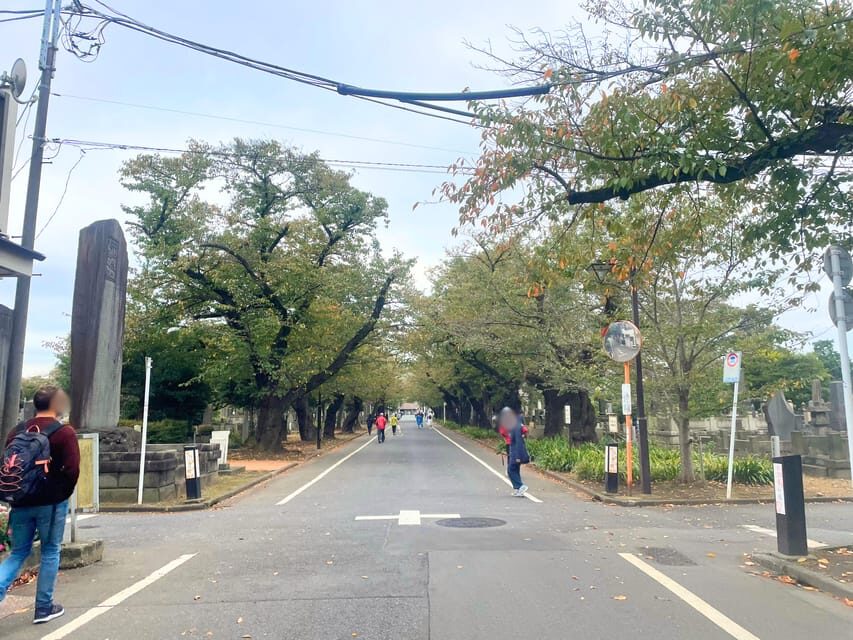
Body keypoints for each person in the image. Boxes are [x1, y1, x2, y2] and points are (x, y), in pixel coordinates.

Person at [0, 386, 80, 624]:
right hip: (50, 502)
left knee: (18, 552)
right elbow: (73, 468)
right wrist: (61, 492)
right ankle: (44, 607)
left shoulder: (18, 431)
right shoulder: (64, 432)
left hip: (21, 500)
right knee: (50, 550)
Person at [498, 407, 529, 497]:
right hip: (518, 446)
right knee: (515, 467)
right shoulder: (518, 422)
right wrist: (522, 435)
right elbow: (525, 430)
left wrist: (509, 436)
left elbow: (502, 432)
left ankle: (520, 486)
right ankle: (518, 488)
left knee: (511, 468)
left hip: (513, 446)